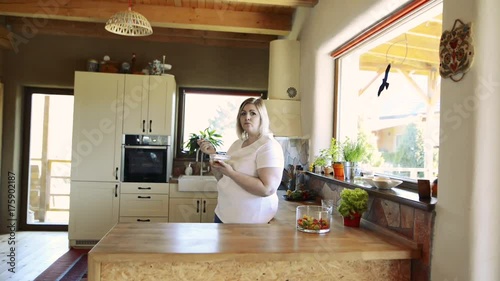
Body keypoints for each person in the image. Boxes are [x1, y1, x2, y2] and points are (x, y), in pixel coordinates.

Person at [197, 97, 284, 223]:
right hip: (223, 215)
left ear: (262, 118)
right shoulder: (237, 144)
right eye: (243, 113)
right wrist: (213, 156)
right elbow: (222, 178)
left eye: (252, 113)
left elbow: (267, 189)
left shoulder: (268, 146)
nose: (247, 117)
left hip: (248, 222)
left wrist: (231, 173)